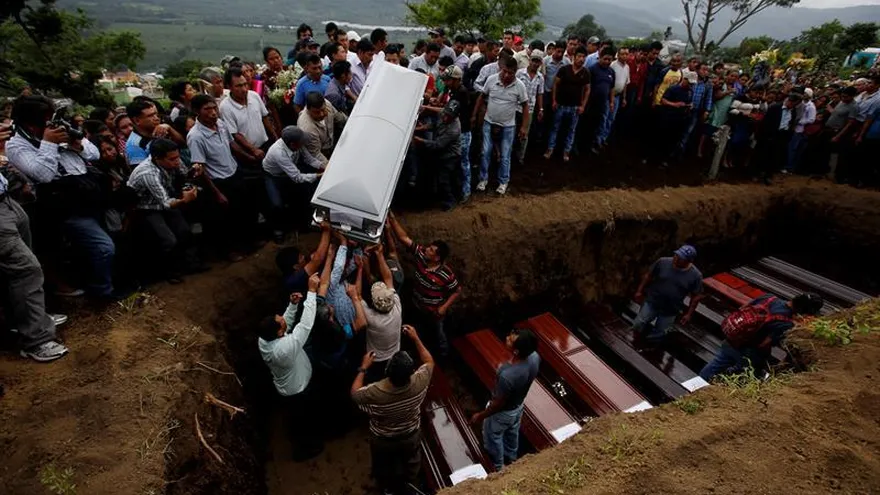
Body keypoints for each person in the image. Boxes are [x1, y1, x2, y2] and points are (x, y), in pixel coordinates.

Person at [6, 96, 118, 299]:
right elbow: (43, 174)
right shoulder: (16, 145)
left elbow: (94, 154)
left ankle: (97, 282)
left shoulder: (60, 128)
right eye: (47, 119)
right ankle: (102, 293)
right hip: (63, 207)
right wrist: (49, 143)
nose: (52, 123)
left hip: (91, 197)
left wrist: (77, 144)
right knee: (103, 248)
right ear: (32, 125)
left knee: (98, 246)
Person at [0, 123, 69, 361]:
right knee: (26, 270)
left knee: (14, 272)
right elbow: (43, 173)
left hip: (7, 201)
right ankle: (36, 340)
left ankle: (27, 321)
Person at [351, 325, 434, 495]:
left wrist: (363, 367)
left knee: (383, 465)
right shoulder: (420, 381)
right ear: (412, 372)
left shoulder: (375, 393)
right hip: (410, 434)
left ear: (387, 371)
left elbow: (355, 394)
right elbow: (429, 361)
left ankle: (386, 489)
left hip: (383, 439)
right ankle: (411, 486)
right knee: (411, 463)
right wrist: (416, 338)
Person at [258, 272, 324, 460]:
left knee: (297, 420)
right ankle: (303, 451)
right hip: (299, 392)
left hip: (289, 389)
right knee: (302, 422)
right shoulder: (285, 348)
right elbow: (305, 326)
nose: (281, 316)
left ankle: (301, 441)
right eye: (280, 320)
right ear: (279, 333)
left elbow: (282, 325)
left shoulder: (264, 339)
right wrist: (311, 292)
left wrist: (292, 306)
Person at [187, 94, 258, 260]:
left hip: (234, 173)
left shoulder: (219, 124)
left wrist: (249, 158)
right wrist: (217, 193)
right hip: (218, 182)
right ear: (197, 111)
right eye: (207, 109)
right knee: (224, 220)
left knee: (242, 211)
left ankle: (247, 244)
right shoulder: (196, 136)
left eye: (214, 108)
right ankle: (229, 251)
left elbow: (232, 144)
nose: (213, 112)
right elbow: (200, 169)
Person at [126, 138, 202, 283]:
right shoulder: (148, 173)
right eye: (172, 159)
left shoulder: (173, 158)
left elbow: (184, 175)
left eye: (177, 157)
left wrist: (194, 172)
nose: (176, 161)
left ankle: (192, 264)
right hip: (147, 208)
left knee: (184, 231)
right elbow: (166, 203)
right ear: (157, 158)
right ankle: (170, 272)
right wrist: (185, 200)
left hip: (166, 201)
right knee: (168, 240)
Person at [700, 293, 824, 381]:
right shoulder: (785, 323)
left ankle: (698, 385)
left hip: (731, 339)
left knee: (717, 363)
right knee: (751, 373)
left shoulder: (769, 297)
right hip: (748, 352)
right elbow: (764, 344)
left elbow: (743, 309)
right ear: (803, 310)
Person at [387, 213, 460, 357]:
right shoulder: (421, 256)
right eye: (429, 247)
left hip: (434, 313)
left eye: (431, 250)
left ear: (437, 258)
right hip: (417, 307)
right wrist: (393, 219)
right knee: (418, 331)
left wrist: (444, 307)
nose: (427, 249)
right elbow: (404, 238)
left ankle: (443, 356)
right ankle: (417, 353)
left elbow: (457, 290)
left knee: (439, 334)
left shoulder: (445, 274)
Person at [469, 328, 539, 471]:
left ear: (516, 351)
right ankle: (512, 457)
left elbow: (497, 404)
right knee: (512, 433)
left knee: (493, 438)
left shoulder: (507, 374)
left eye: (510, 340)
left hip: (502, 414)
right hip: (518, 406)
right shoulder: (534, 357)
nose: (507, 337)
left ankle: (499, 466)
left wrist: (480, 415)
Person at [472, 56, 529, 196]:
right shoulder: (491, 79)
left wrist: (524, 127)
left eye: (511, 73)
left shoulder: (520, 86)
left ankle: (503, 182)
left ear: (515, 72)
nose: (507, 75)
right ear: (501, 69)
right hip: (489, 122)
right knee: (485, 152)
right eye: (504, 71)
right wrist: (474, 115)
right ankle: (483, 180)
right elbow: (481, 97)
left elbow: (525, 106)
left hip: (508, 126)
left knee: (505, 155)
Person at [632, 245, 703, 345]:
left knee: (660, 332)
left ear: (688, 261)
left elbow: (696, 296)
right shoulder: (662, 262)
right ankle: (635, 340)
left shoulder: (696, 276)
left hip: (671, 308)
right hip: (653, 301)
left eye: (680, 258)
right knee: (639, 323)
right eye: (676, 255)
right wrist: (639, 291)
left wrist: (689, 314)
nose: (676, 258)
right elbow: (648, 275)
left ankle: (651, 347)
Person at [262, 126, 325, 238]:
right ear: (292, 144)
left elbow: (309, 159)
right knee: (277, 204)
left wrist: (325, 167)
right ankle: (278, 230)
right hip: (273, 176)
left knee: (301, 196)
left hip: (288, 172)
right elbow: (297, 177)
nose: (303, 144)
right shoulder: (279, 153)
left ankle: (304, 224)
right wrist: (319, 175)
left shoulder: (298, 144)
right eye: (301, 143)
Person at [359, 244, 403, 384]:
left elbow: (357, 296)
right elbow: (389, 278)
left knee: (375, 380)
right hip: (394, 354)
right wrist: (379, 254)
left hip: (375, 359)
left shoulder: (371, 318)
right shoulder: (397, 306)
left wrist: (361, 267)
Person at [219, 67, 277, 165]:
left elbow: (265, 117)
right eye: (239, 86)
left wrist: (274, 136)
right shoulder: (225, 107)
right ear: (229, 87)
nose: (244, 89)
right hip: (249, 153)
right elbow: (235, 134)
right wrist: (253, 150)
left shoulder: (254, 96)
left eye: (245, 84)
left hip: (266, 145)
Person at [412, 100, 462, 210]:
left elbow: (437, 145)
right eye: (445, 114)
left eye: (449, 116)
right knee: (433, 175)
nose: (445, 117)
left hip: (450, 156)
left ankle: (450, 201)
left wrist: (421, 140)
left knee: (444, 179)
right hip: (440, 153)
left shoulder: (454, 129)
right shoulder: (443, 113)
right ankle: (435, 197)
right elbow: (434, 125)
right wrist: (418, 128)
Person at [545, 46, 590, 163]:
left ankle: (566, 151)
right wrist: (554, 100)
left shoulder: (585, 73)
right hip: (561, 105)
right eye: (579, 56)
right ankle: (550, 149)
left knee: (571, 130)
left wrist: (583, 106)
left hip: (575, 107)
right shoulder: (564, 69)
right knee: (555, 127)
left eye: (583, 57)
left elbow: (587, 90)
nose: (581, 59)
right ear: (574, 57)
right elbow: (556, 84)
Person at [438, 66, 474, 203]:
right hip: (455, 131)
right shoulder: (453, 90)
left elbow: (447, 114)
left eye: (448, 80)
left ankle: (465, 191)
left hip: (462, 132)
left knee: (462, 163)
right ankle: (458, 191)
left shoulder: (461, 93)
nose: (445, 83)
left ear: (456, 80)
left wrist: (427, 108)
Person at [125, 99, 184, 166]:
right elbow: (143, 173)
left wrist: (170, 129)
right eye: (150, 116)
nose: (156, 118)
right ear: (137, 121)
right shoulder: (134, 145)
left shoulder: (161, 129)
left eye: (156, 114)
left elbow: (182, 144)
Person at [297, 92, 347, 167]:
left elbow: (338, 117)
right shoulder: (307, 128)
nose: (321, 114)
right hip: (322, 154)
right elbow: (316, 154)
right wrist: (331, 167)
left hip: (331, 144)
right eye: (316, 112)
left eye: (323, 110)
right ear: (308, 110)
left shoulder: (327, 104)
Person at [584, 47, 616, 154]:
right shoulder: (592, 69)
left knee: (598, 125)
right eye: (605, 59)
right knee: (587, 124)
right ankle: (583, 145)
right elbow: (586, 87)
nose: (607, 61)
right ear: (600, 58)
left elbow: (612, 88)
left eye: (609, 60)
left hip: (602, 104)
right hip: (590, 103)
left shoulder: (611, 72)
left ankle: (592, 144)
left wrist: (611, 102)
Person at [514, 50, 544, 164]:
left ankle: (520, 158)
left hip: (529, 110)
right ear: (529, 60)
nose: (535, 64)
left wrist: (541, 109)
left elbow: (540, 93)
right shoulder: (519, 73)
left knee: (524, 134)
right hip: (516, 107)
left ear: (540, 63)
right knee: (512, 132)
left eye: (538, 61)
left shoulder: (540, 77)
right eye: (533, 60)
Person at [601, 47, 630, 147]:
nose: (625, 56)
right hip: (609, 96)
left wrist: (624, 97)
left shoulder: (627, 67)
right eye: (622, 54)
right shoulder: (612, 65)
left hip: (618, 96)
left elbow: (626, 83)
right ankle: (598, 139)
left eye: (627, 54)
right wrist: (611, 99)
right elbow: (610, 84)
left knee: (611, 119)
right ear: (618, 54)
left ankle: (604, 138)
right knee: (604, 118)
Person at [785, 87, 816, 174]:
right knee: (790, 148)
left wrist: (799, 122)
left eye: (805, 94)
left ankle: (790, 167)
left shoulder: (811, 106)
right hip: (793, 128)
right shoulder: (799, 103)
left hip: (799, 130)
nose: (804, 95)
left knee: (793, 149)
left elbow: (811, 119)